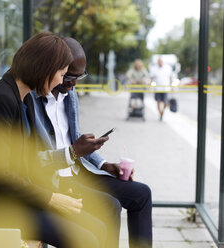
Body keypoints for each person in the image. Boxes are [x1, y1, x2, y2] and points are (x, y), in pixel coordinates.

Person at [0, 32, 107, 248]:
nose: (62, 81)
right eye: (61, 74)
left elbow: (24, 162)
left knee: (97, 227)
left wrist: (55, 189)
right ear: (45, 70)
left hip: (14, 200)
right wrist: (50, 198)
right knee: (86, 239)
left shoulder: (22, 99)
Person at [31, 37, 152, 248]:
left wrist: (104, 165)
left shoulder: (70, 94)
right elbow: (32, 158)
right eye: (69, 76)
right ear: (53, 68)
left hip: (80, 170)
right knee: (110, 206)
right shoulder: (32, 98)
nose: (74, 83)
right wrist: (72, 152)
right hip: (56, 177)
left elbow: (75, 135)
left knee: (142, 194)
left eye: (80, 77)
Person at [150, 57, 173, 121]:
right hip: (158, 88)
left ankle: (162, 113)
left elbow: (170, 77)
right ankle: (160, 115)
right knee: (158, 102)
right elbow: (151, 78)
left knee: (165, 102)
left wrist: (171, 86)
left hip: (165, 88)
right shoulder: (154, 69)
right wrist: (151, 86)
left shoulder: (167, 68)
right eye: (158, 61)